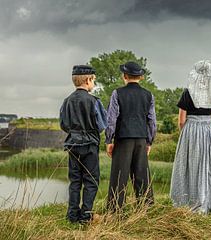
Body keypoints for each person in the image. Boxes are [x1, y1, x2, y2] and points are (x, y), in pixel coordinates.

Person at [170, 60, 211, 214]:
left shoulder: (187, 92)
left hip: (191, 129)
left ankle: (187, 200)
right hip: (209, 130)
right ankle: (207, 201)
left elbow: (181, 120)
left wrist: (187, 134)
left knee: (189, 165)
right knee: (208, 165)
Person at [105, 61, 156, 211]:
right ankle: (146, 209)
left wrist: (109, 139)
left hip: (123, 139)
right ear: (140, 77)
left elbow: (111, 119)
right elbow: (152, 121)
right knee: (142, 175)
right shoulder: (148, 95)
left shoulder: (117, 93)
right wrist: (149, 141)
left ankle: (115, 211)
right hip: (141, 139)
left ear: (125, 76)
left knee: (119, 177)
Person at [60, 65, 107, 223]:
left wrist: (74, 131)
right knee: (91, 180)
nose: (94, 83)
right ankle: (86, 215)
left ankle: (72, 215)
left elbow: (63, 124)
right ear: (88, 80)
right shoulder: (94, 101)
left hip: (73, 144)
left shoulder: (67, 101)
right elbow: (102, 125)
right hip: (90, 145)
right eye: (94, 80)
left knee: (75, 180)